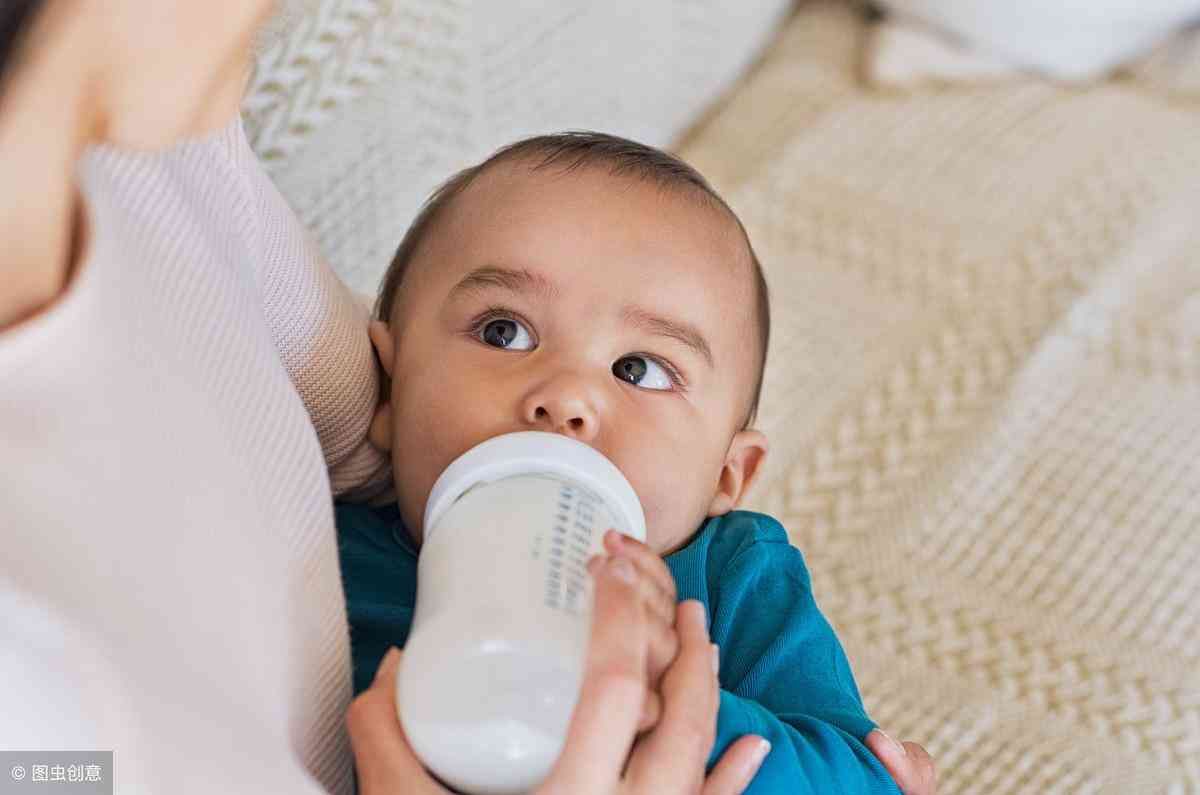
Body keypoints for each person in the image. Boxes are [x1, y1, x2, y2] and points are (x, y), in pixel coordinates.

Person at [0, 2, 935, 794]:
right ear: (389, 392)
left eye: (643, 369)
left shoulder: (728, 577)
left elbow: (865, 768)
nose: (565, 396)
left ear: (732, 471)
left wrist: (676, 701)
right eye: (503, 332)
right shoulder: (344, 552)